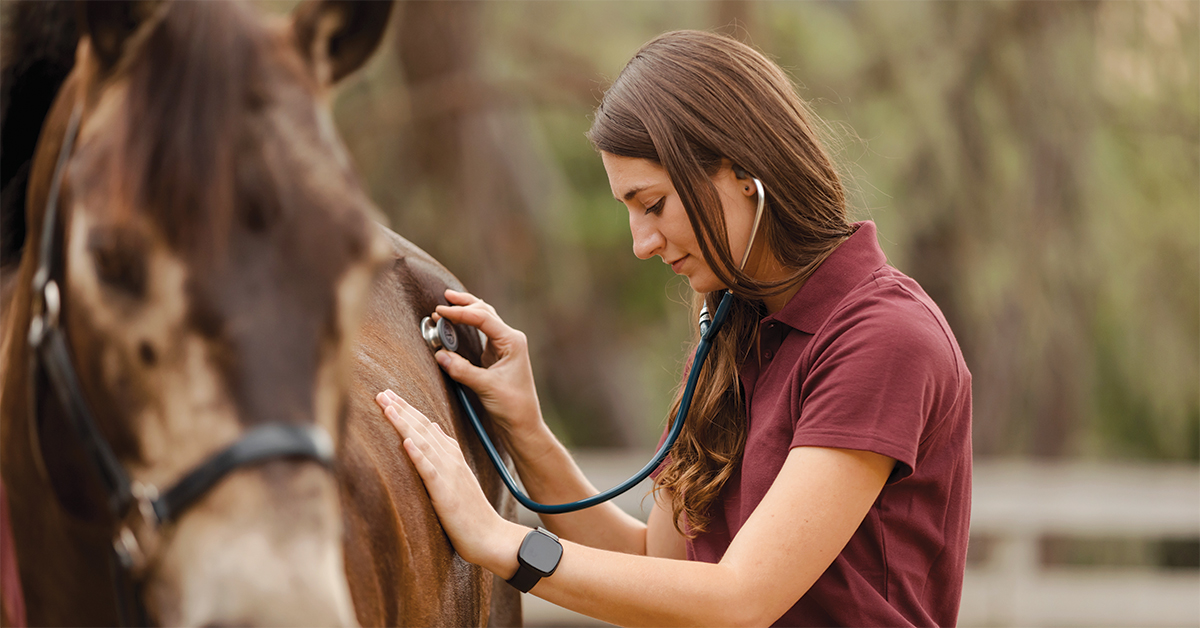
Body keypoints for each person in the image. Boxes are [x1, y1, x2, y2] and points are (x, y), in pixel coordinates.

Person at [376, 30, 972, 627]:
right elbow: (651, 563)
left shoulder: (883, 338)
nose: (641, 244)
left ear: (743, 172)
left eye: (652, 204)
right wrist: (525, 428)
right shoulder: (731, 331)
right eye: (629, 211)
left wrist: (502, 541)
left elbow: (742, 599)